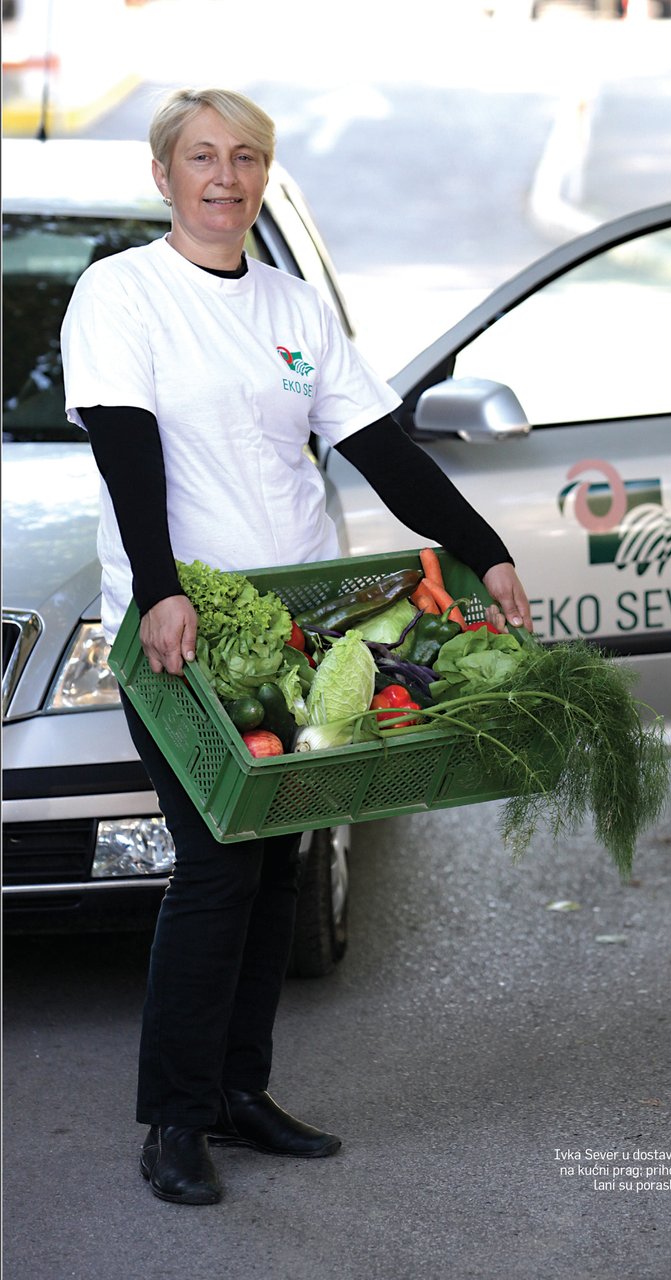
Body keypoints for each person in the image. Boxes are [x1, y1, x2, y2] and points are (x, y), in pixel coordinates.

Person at [61, 86, 533, 1207]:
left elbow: (379, 446)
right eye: (202, 158)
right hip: (181, 626)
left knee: (280, 862)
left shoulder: (292, 304)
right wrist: (163, 592)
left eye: (245, 158)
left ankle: (238, 1090)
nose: (224, 178)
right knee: (220, 859)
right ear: (164, 175)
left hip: (296, 622)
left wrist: (487, 548)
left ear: (263, 177)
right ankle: (174, 1117)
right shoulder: (122, 293)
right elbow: (126, 450)